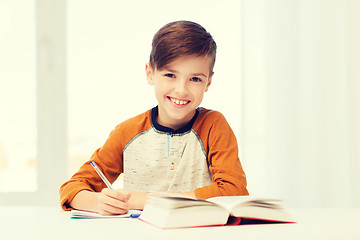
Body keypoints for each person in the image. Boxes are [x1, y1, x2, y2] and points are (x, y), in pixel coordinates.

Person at [59, 20, 248, 215]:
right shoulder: (127, 132)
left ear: (208, 82)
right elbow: (72, 188)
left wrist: (141, 200)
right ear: (150, 74)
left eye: (195, 79)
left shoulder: (214, 125)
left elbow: (234, 191)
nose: (181, 90)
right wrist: (98, 202)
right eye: (170, 75)